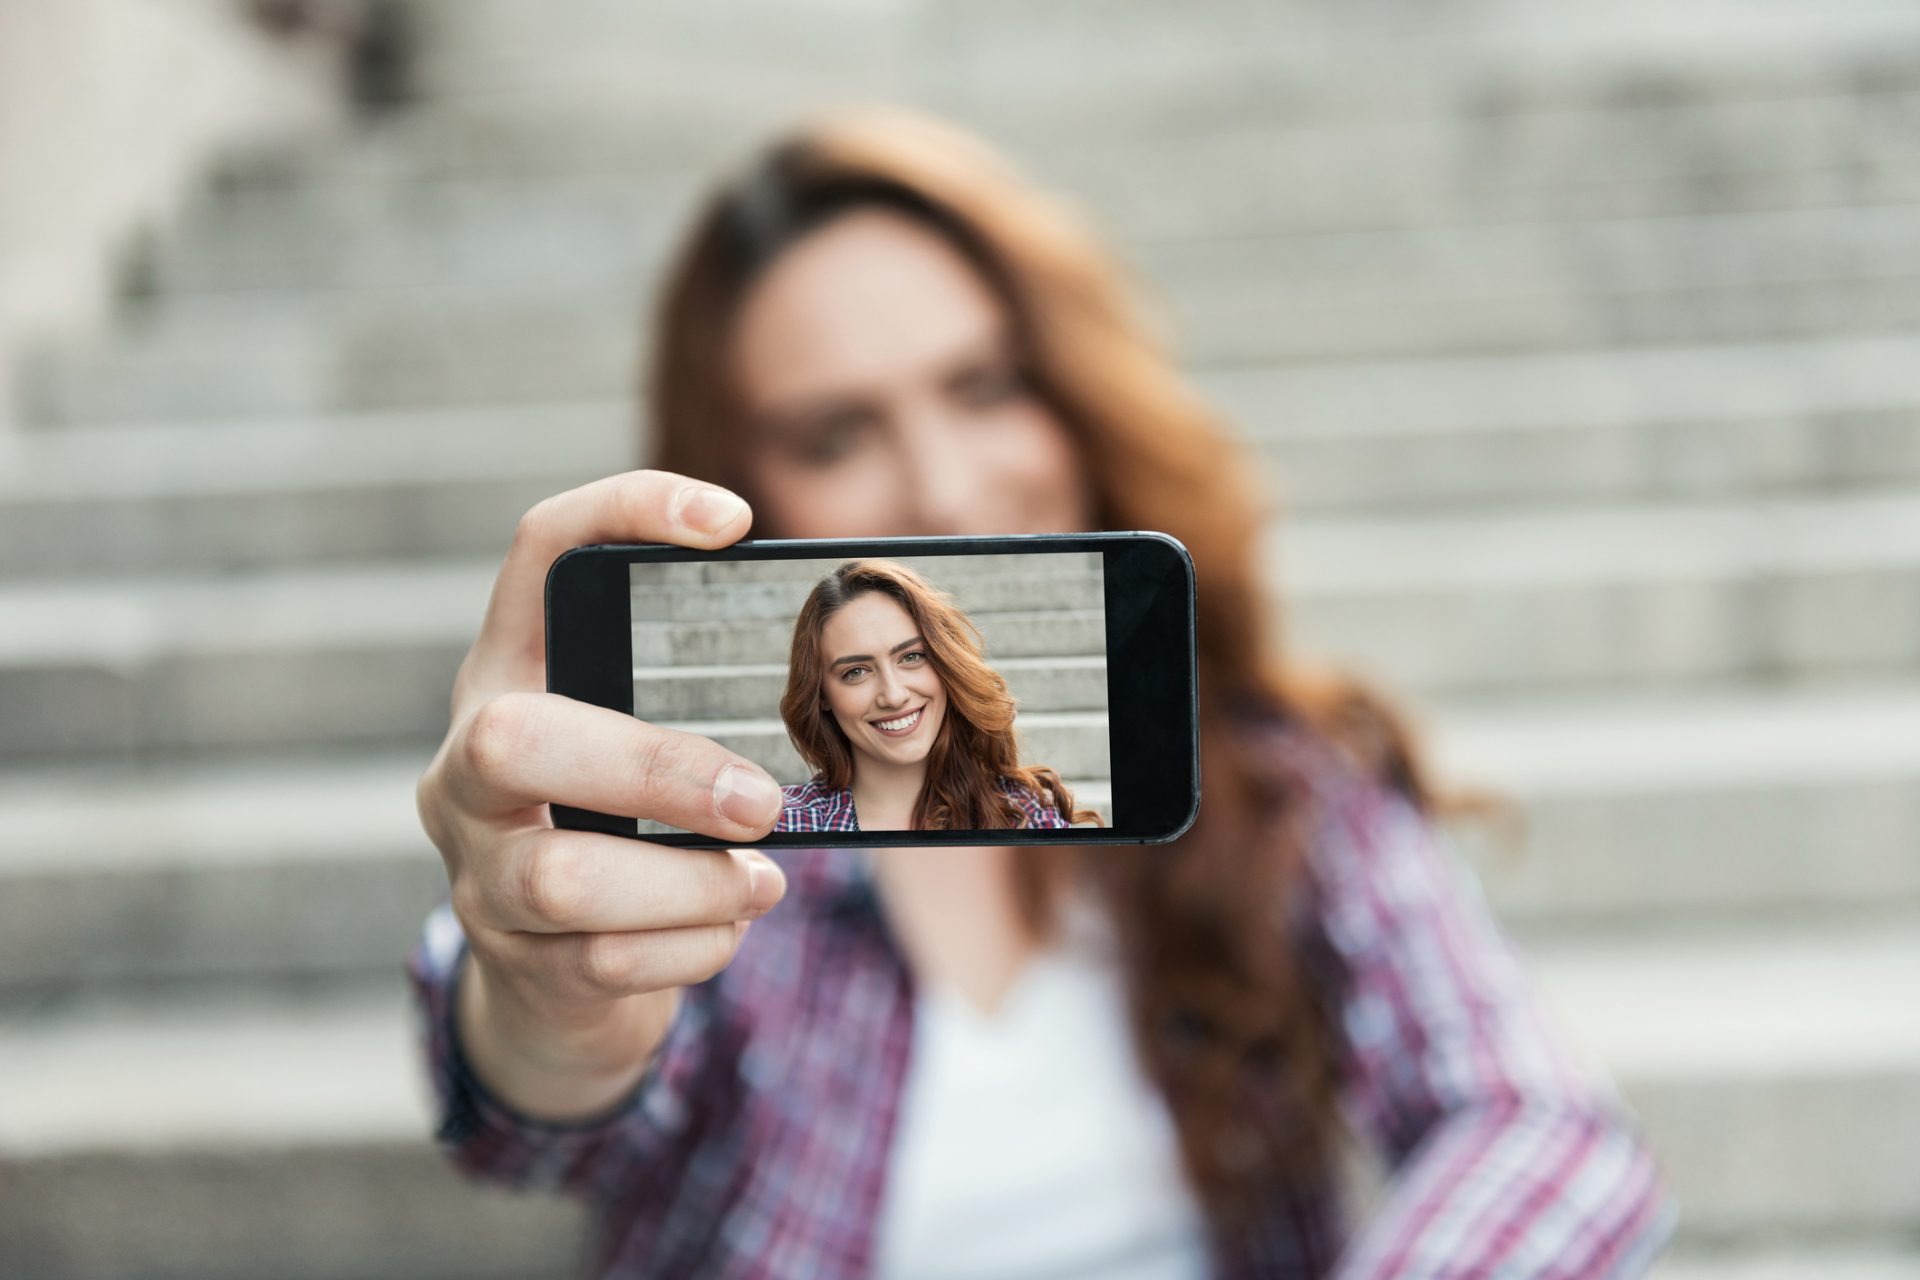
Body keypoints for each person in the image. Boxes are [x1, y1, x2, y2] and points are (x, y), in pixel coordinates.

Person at [408, 106, 1674, 1277]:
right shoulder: (715, 824)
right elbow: (538, 1122)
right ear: (742, 488)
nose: (944, 490)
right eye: (834, 434)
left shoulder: (1272, 783)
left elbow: (1542, 1128)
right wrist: (550, 1002)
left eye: (984, 385)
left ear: (1076, 398)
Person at [773, 557, 1097, 834]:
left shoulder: (1025, 812)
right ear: (822, 694)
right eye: (855, 672)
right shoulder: (786, 822)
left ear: (945, 663)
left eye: (911, 657)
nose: (894, 695)